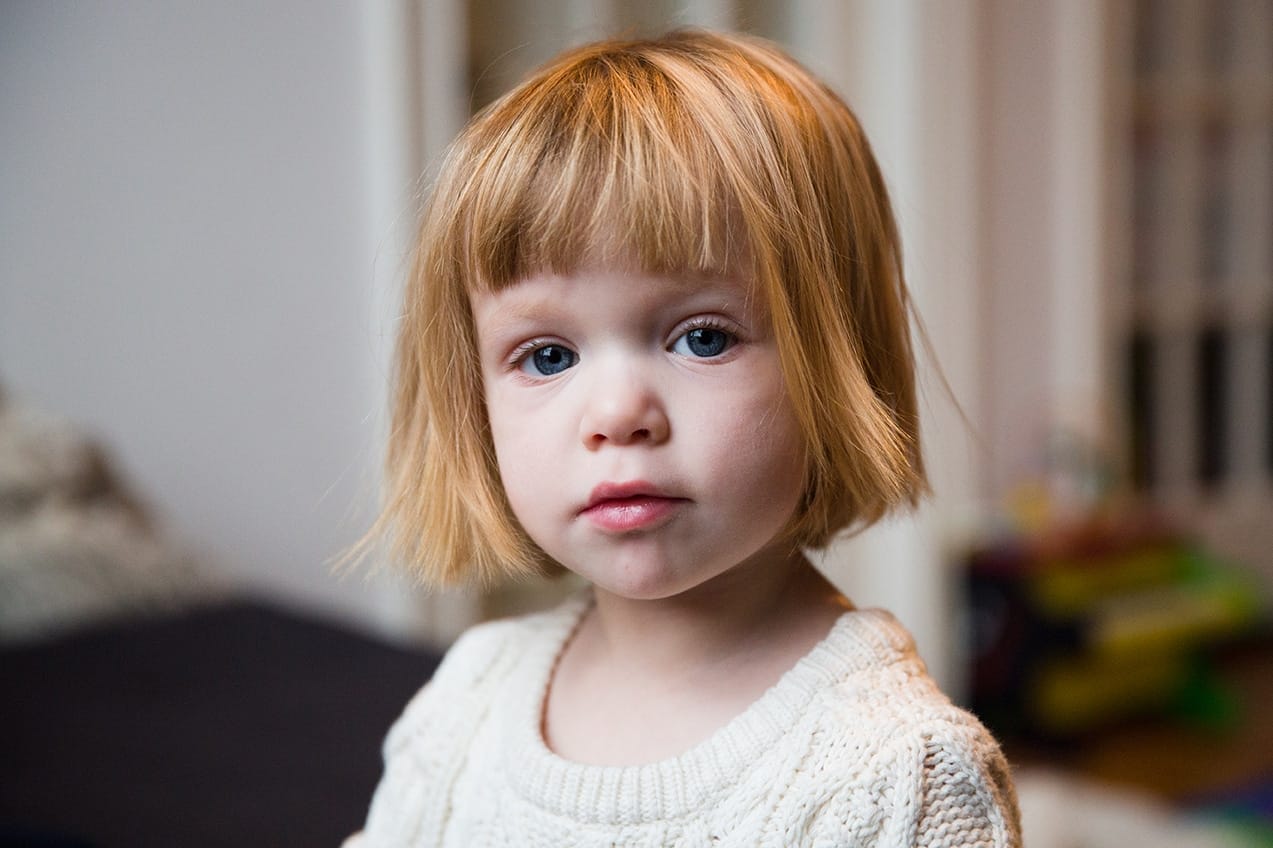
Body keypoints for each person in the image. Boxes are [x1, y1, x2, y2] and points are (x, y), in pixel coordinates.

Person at [348, 28, 1020, 847]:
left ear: (837, 357)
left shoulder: (894, 776)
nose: (616, 415)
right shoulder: (466, 703)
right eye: (547, 355)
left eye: (701, 337)